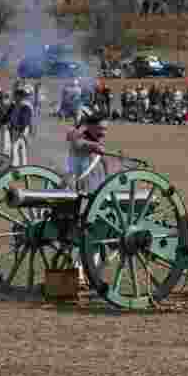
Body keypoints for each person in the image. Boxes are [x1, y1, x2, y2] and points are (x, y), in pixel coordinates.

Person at [67, 111, 114, 286]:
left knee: (97, 238)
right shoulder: (81, 141)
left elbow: (107, 169)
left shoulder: (98, 143)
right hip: (83, 195)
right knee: (81, 238)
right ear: (90, 127)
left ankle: (92, 274)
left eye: (106, 129)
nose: (104, 133)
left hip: (99, 195)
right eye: (101, 129)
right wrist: (92, 145)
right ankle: (79, 273)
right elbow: (75, 142)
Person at [9, 84, 34, 166]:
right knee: (21, 148)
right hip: (19, 129)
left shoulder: (25, 105)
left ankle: (15, 165)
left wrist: (21, 130)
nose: (15, 97)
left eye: (16, 95)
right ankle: (23, 166)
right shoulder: (18, 104)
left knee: (15, 147)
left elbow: (25, 120)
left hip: (20, 129)